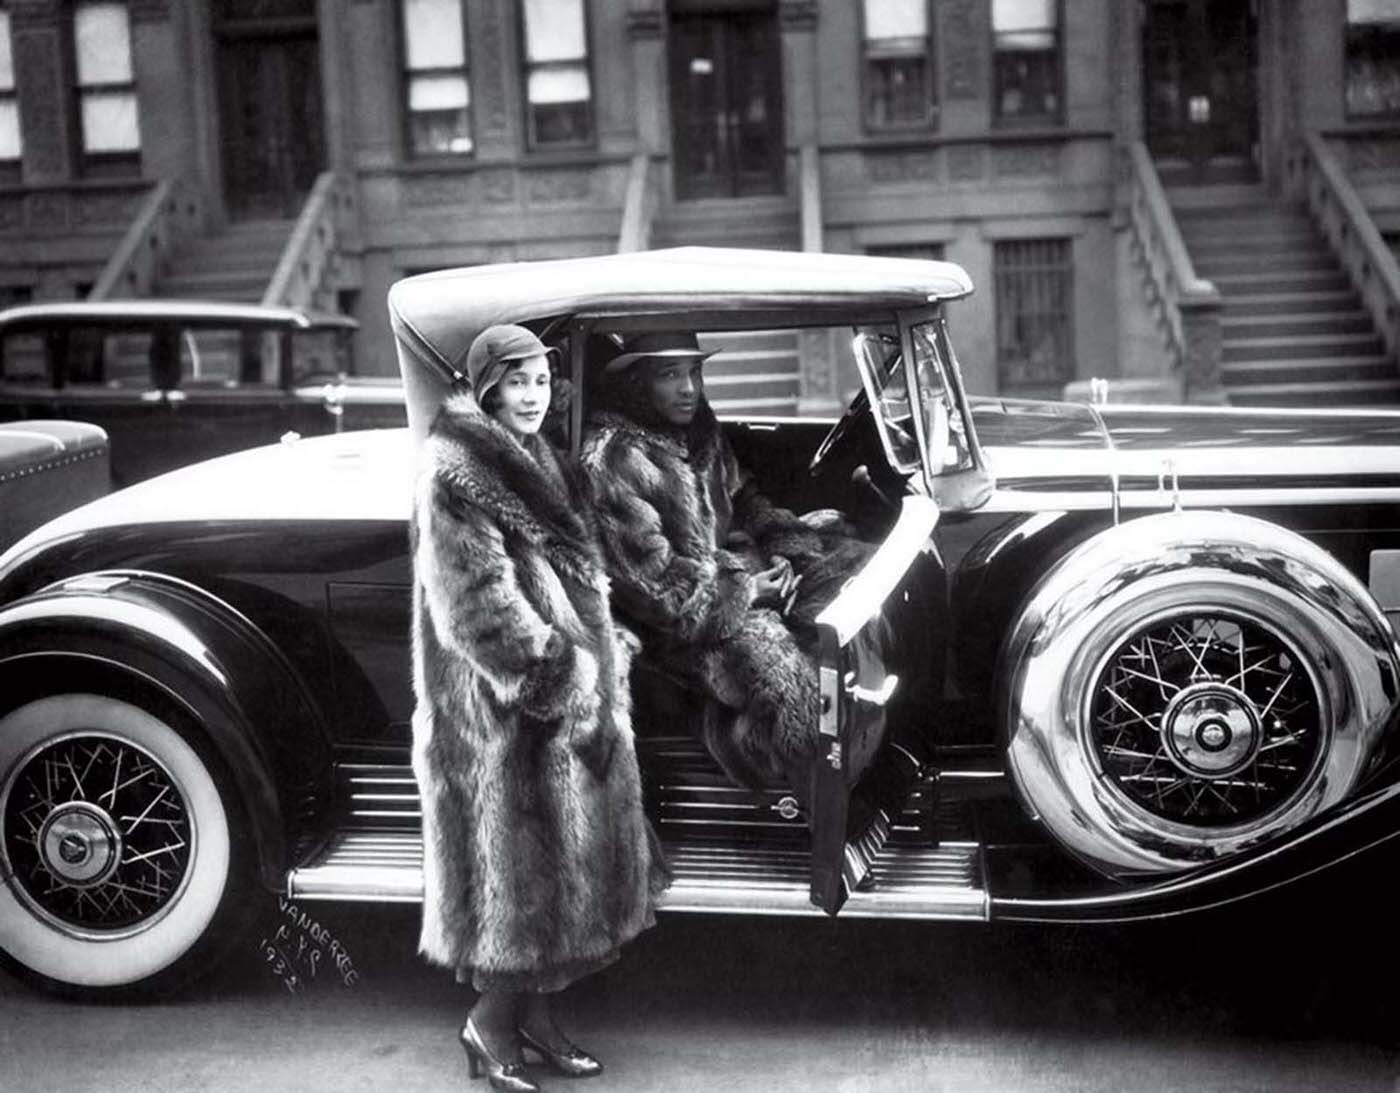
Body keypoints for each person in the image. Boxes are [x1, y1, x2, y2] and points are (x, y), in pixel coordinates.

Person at [410, 323, 667, 1092]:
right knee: (516, 885)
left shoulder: (536, 455)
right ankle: (488, 1026)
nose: (533, 395)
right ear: (487, 386)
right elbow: (478, 607)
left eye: (542, 381)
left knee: (568, 876)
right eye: (517, 382)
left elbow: (567, 576)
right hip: (501, 712)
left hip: (559, 699)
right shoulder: (457, 468)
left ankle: (542, 1020)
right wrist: (564, 680)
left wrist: (604, 640)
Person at [579, 331, 869, 794]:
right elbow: (652, 586)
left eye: (694, 372)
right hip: (676, 628)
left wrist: (787, 552)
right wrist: (748, 591)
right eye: (670, 375)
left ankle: (862, 755)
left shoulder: (698, 431)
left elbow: (745, 498)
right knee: (789, 679)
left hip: (733, 574)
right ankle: (795, 795)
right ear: (637, 382)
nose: (689, 388)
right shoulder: (614, 457)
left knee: (854, 568)